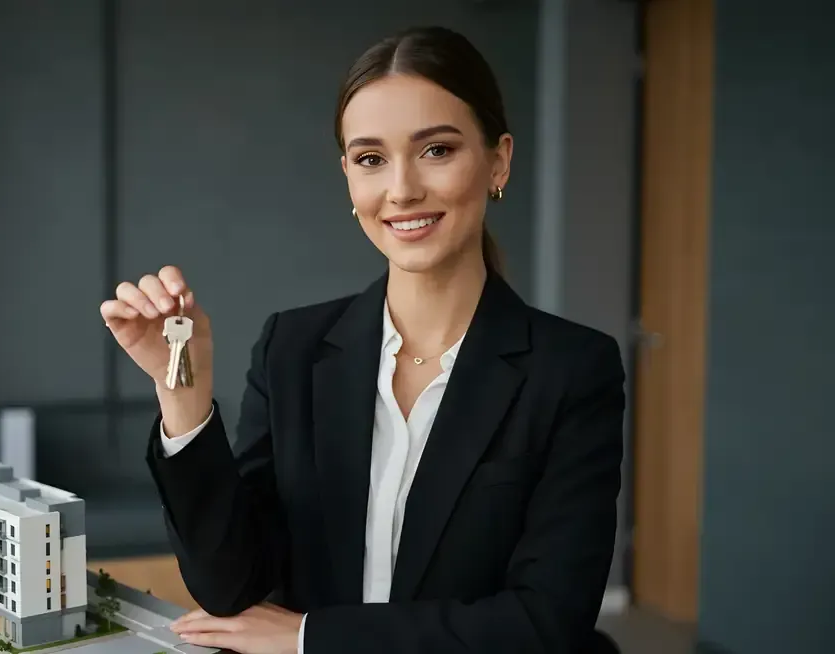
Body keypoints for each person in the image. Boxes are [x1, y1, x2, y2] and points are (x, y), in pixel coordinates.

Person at [101, 25, 624, 654]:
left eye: (436, 150)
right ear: (349, 177)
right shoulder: (292, 348)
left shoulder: (572, 370)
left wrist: (310, 637)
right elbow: (229, 582)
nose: (401, 189)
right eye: (371, 159)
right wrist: (179, 387)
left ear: (499, 161)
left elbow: (544, 624)